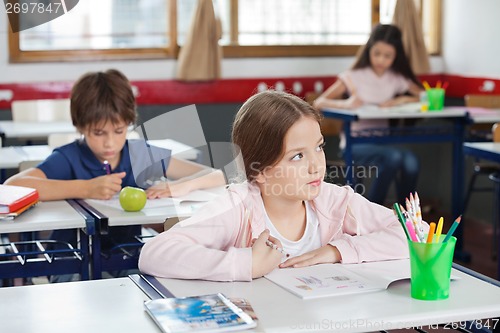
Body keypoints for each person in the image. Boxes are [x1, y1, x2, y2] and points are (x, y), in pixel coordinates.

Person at [138, 90, 410, 282]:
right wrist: (247, 263)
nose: (316, 166)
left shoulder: (335, 201)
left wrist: (338, 250)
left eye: (319, 147)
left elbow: (416, 234)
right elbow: (154, 254)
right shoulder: (238, 208)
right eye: (298, 156)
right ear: (261, 171)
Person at [5, 69, 225, 278]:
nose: (110, 142)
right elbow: (14, 186)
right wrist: (86, 188)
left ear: (129, 123)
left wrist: (181, 185)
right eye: (98, 133)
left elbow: (218, 175)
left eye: (119, 131)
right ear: (81, 127)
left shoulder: (139, 154)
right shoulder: (70, 156)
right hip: (71, 259)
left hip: (128, 256)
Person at [313, 24, 423, 205]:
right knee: (393, 157)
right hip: (355, 142)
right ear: (369, 50)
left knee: (411, 162)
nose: (381, 59)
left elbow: (423, 96)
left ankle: (406, 217)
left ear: (396, 56)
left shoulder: (396, 77)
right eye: (377, 53)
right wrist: (346, 104)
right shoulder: (353, 76)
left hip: (385, 142)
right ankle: (371, 209)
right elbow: (319, 103)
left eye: (387, 56)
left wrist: (399, 100)